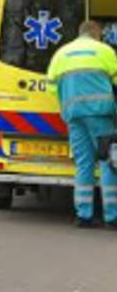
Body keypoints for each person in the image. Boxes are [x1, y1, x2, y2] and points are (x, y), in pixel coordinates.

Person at [47, 19, 117, 228]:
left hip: (74, 115)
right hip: (100, 115)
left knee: (83, 164)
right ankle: (112, 217)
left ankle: (84, 215)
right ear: (97, 34)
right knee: (108, 163)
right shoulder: (105, 51)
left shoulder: (61, 53)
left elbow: (51, 87)